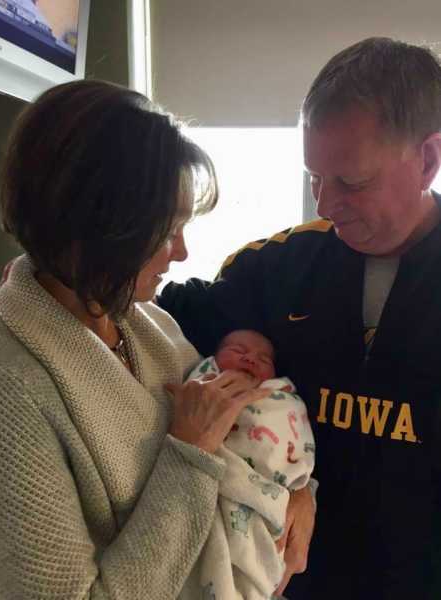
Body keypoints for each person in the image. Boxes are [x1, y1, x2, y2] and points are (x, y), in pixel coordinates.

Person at [158, 37, 441, 600]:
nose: (326, 205)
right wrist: (56, 283)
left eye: (352, 183)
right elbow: (147, 312)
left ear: (429, 160)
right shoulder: (273, 268)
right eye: (315, 177)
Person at [0, 79, 282, 599]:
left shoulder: (151, 328)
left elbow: (241, 440)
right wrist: (189, 454)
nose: (182, 253)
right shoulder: (8, 389)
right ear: (96, 224)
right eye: (167, 230)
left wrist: (299, 494)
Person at [187, 329, 315, 599]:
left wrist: (302, 487)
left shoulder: (279, 396)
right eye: (238, 351)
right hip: (216, 481)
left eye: (264, 359)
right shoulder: (203, 382)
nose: (251, 359)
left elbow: (293, 435)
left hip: (268, 495)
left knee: (258, 557)